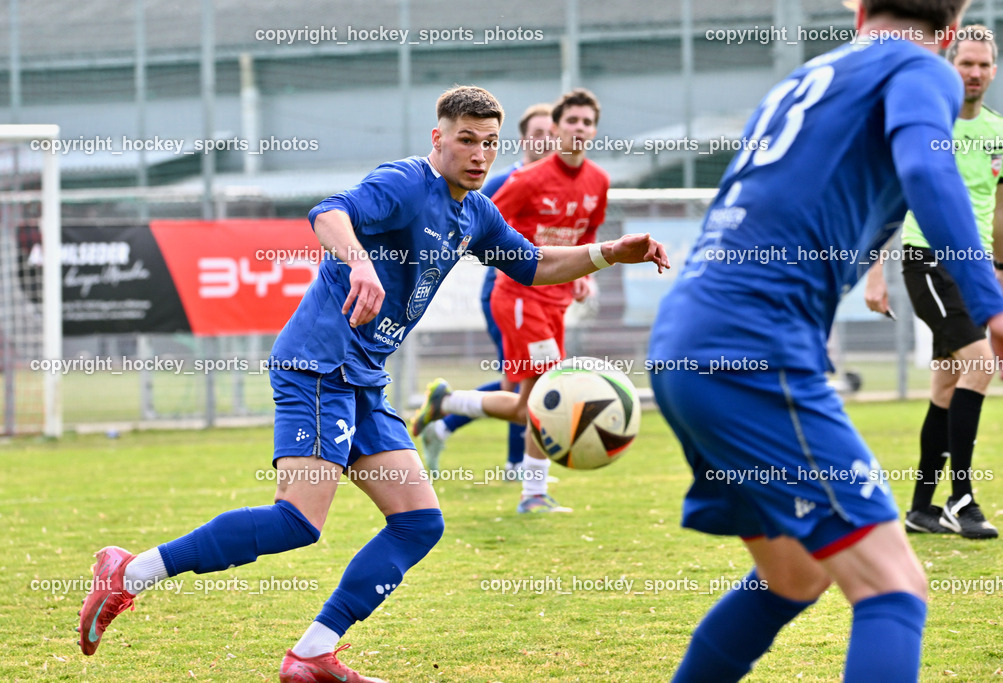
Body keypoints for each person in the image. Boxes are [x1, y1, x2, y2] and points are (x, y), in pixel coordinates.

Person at [76, 85, 667, 682]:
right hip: (318, 364)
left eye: (489, 142)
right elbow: (329, 212)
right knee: (297, 523)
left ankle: (311, 655)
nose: (480, 154)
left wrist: (610, 253)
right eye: (466, 139)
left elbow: (534, 265)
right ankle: (129, 572)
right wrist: (359, 260)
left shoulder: (477, 211)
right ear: (438, 138)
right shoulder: (408, 182)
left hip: (361, 380)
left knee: (418, 522)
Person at [646, 2, 1003, 682]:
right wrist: (995, 307)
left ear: (857, 13)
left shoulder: (805, 78)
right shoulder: (918, 67)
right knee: (893, 587)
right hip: (751, 346)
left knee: (791, 575)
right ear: (947, 34)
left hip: (686, 337)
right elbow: (928, 171)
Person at [411, 88, 610, 513]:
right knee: (546, 398)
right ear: (554, 129)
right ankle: (533, 494)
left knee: (523, 403)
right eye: (571, 121)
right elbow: (478, 218)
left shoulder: (599, 180)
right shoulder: (530, 179)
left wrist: (582, 274)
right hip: (520, 298)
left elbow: (588, 233)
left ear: (595, 130)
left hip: (555, 301)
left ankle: (446, 404)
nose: (580, 129)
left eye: (587, 122)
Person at [865, 24, 1003, 540]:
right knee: (980, 364)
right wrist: (873, 274)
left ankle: (921, 509)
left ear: (993, 72)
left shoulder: (1001, 132)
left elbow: (1000, 206)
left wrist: (1000, 270)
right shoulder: (925, 125)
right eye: (965, 62)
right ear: (949, 65)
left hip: (974, 272)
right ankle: (961, 499)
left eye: (982, 65)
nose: (973, 73)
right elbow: (885, 200)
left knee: (947, 383)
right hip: (926, 260)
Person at [419, 103, 555, 478]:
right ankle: (517, 463)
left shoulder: (559, 184)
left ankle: (444, 418)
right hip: (506, 291)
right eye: (538, 133)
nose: (546, 140)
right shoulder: (503, 181)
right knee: (528, 379)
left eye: (551, 133)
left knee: (518, 381)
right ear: (525, 139)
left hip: (540, 293)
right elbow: (473, 212)